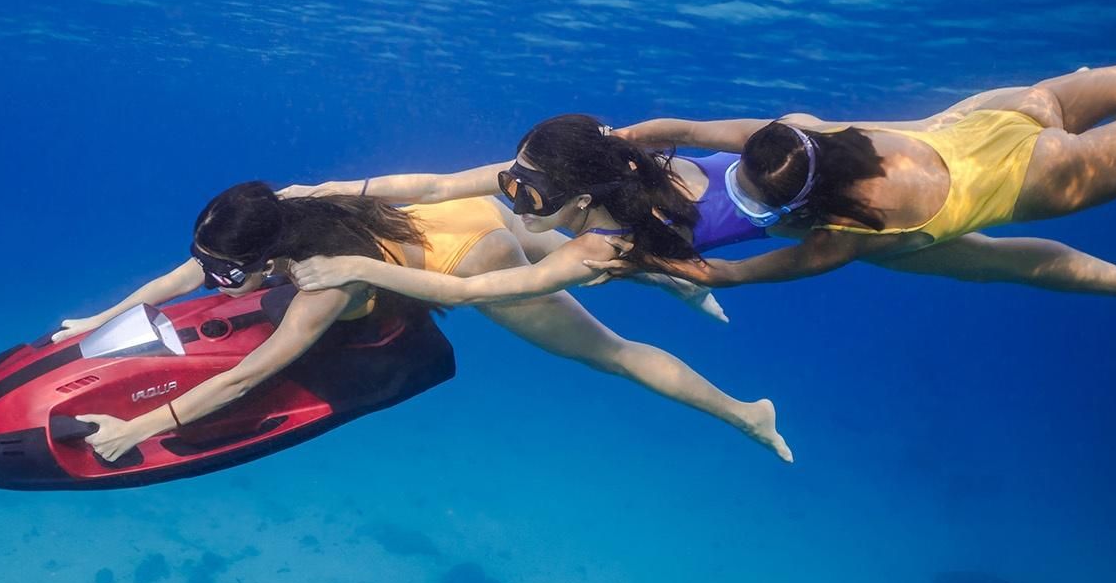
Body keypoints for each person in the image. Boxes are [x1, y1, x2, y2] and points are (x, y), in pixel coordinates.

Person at [57, 182, 792, 463]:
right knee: (585, 251)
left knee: (611, 354)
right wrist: (104, 315)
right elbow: (184, 273)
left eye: (227, 271)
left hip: (470, 256)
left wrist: (136, 429)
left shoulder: (323, 283)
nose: (212, 282)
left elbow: (253, 373)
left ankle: (746, 413)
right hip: (450, 215)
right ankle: (678, 279)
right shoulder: (282, 208)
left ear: (270, 252)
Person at [579, 19, 1116, 325]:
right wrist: (622, 138)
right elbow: (689, 130)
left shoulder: (845, 236)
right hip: (1006, 112)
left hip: (1042, 176)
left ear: (800, 207)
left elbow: (726, 274)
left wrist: (641, 260)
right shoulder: (799, 135)